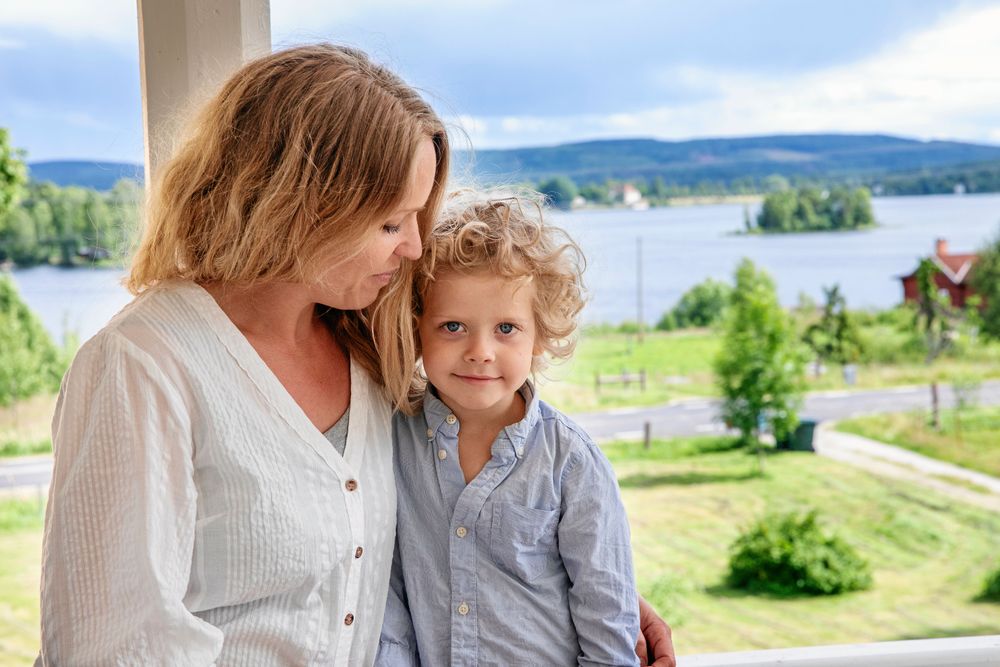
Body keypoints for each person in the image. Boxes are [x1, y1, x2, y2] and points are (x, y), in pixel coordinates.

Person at [36, 44, 675, 665]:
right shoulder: (142, 367)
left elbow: (404, 539)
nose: (417, 250)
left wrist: (573, 594)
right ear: (300, 210)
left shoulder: (373, 348)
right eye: (392, 224)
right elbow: (116, 646)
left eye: (418, 219)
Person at [377, 189, 643, 665]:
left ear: (540, 334)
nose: (481, 351)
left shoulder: (572, 463)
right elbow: (387, 596)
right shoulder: (392, 441)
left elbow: (607, 615)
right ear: (418, 328)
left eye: (506, 329)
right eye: (453, 326)